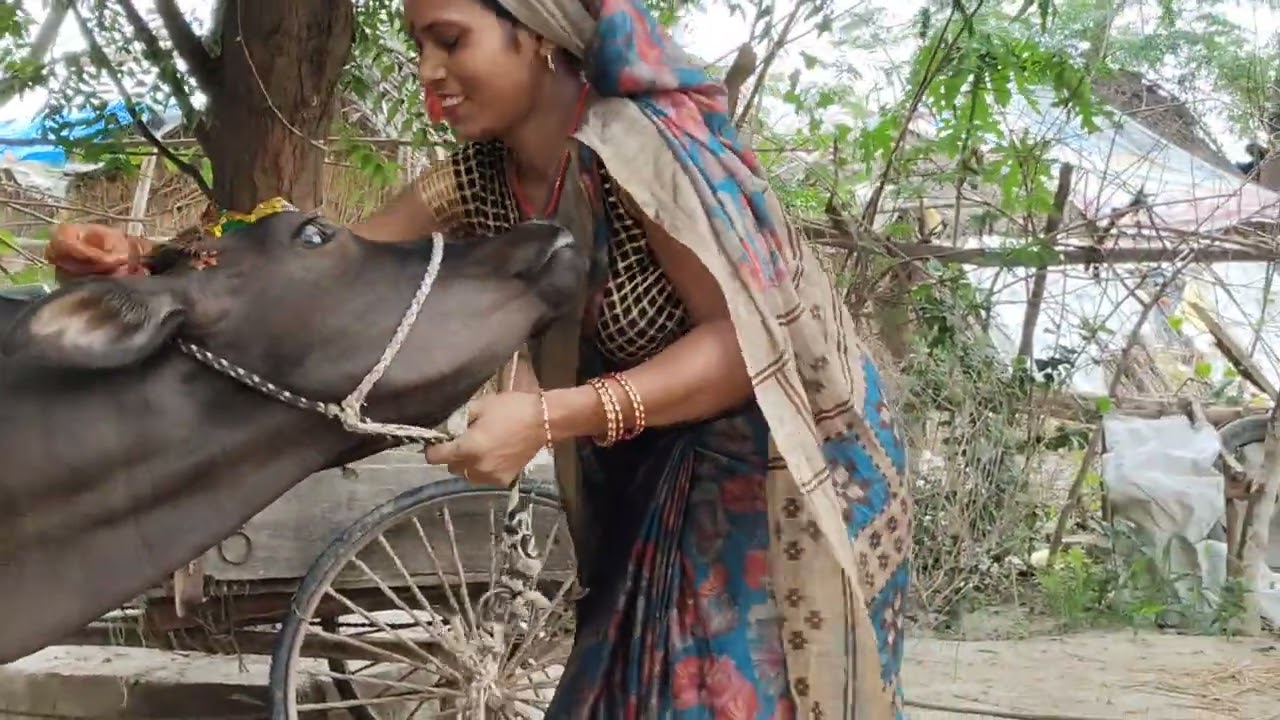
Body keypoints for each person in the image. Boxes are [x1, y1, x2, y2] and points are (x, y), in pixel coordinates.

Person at [45, 0, 912, 716]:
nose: (428, 70)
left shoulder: (643, 151)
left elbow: (741, 349)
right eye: (419, 43)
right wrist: (153, 262)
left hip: (768, 472)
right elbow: (321, 268)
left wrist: (546, 417)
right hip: (646, 467)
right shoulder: (479, 180)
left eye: (449, 39)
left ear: (534, 32)